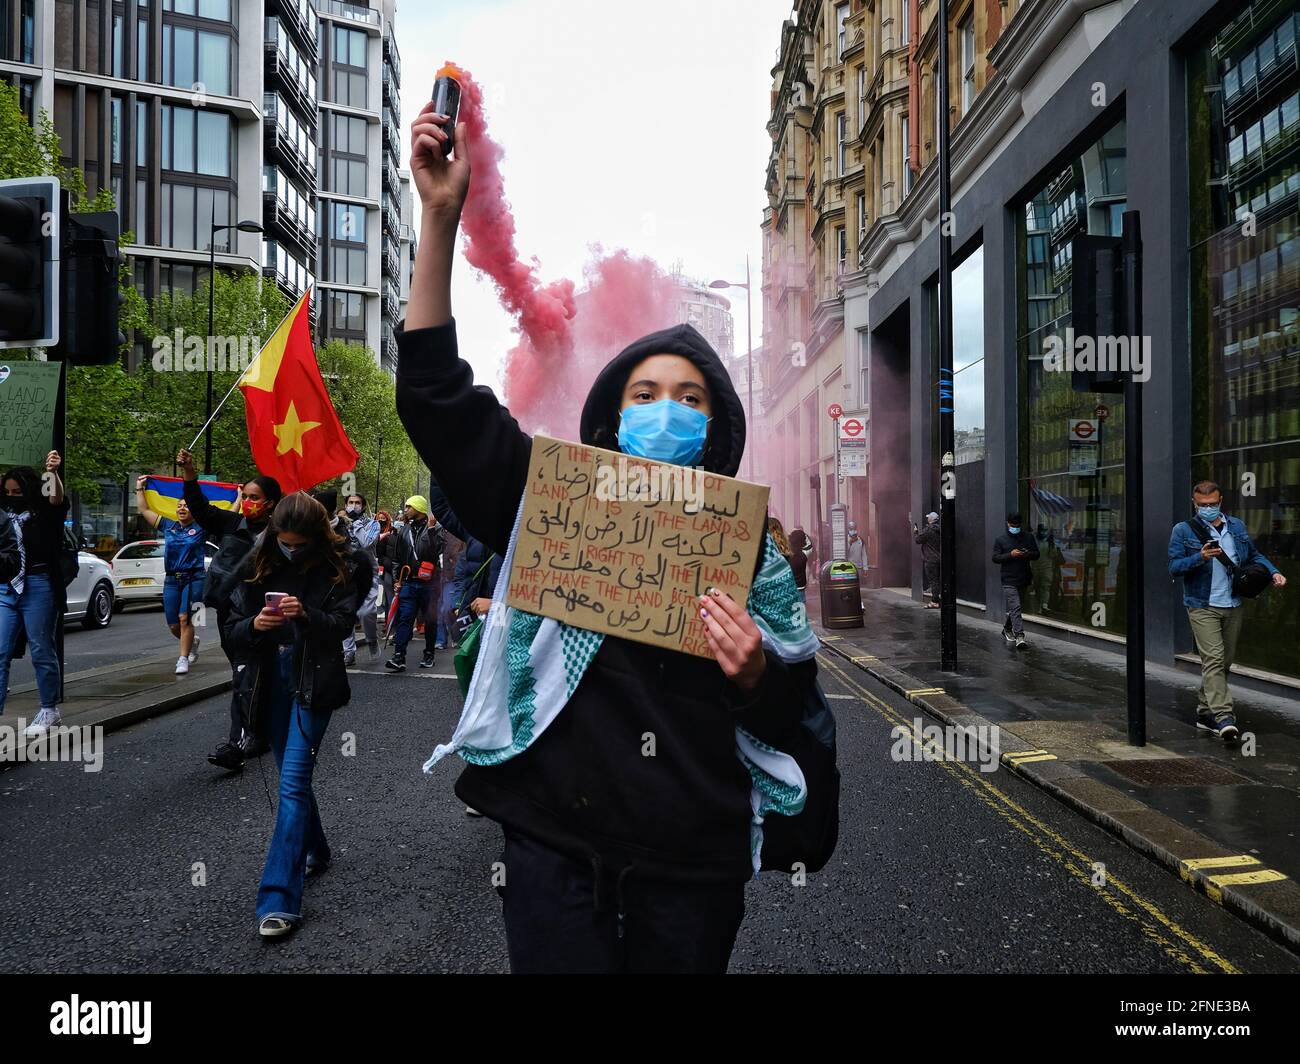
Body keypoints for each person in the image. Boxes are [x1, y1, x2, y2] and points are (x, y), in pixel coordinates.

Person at [394, 100, 832, 973]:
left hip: (693, 862)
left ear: (715, 426)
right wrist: (439, 219)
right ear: (610, 418)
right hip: (556, 844)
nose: (665, 410)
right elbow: (437, 400)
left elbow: (798, 713)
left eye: (689, 397)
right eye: (643, 395)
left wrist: (754, 678)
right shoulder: (552, 501)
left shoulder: (746, 551)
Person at [223, 492, 357, 938]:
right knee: (291, 779)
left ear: (317, 537)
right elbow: (231, 631)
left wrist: (307, 616)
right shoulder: (256, 565)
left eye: (300, 544)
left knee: (293, 785)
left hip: (313, 684)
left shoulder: (342, 565)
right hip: (269, 687)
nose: (291, 550)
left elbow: (341, 625)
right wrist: (254, 626)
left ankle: (279, 900)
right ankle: (316, 849)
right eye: (285, 542)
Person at [175, 447, 283, 772]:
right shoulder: (231, 524)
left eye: (255, 497)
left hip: (259, 619)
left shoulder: (280, 536)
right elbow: (201, 510)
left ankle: (236, 745)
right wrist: (190, 474)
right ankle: (263, 733)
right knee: (249, 677)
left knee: (244, 677)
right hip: (229, 614)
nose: (248, 502)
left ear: (271, 504)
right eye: (245, 496)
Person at [1167, 480, 1285, 741]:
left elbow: (1254, 556)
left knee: (1224, 662)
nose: (1207, 508)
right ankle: (1224, 717)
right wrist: (1200, 557)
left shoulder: (1237, 527)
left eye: (1212, 504)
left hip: (1233, 603)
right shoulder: (1184, 530)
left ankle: (1205, 712)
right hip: (1202, 605)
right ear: (1194, 503)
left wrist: (1274, 572)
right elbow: (1174, 567)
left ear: (1220, 502)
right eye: (1201, 505)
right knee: (1214, 660)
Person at [3, 452, 69, 737]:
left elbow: (55, 498)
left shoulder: (45, 509)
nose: (11, 496)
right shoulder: (3, 514)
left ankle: (49, 709)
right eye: (7, 492)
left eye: (17, 491)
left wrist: (51, 472)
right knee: (0, 652)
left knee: (41, 648)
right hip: (6, 586)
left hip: (39, 584)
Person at [134, 476, 209, 674]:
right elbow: (145, 510)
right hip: (171, 579)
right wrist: (139, 489)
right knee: (173, 624)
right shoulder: (169, 526)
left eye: (187, 506)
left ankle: (182, 659)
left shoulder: (202, 527)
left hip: (195, 578)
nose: (182, 508)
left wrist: (236, 498)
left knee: (186, 618)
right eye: (179, 506)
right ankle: (192, 641)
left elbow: (228, 517)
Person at [384, 494, 444, 672]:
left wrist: (432, 530)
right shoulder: (404, 530)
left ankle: (429, 654)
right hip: (409, 582)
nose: (407, 510)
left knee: (430, 621)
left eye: (410, 507)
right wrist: (397, 581)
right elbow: (397, 558)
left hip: (430, 584)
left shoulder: (435, 528)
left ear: (419, 508)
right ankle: (399, 656)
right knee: (405, 619)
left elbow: (438, 551)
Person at [340, 493, 382, 662]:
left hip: (367, 572)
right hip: (346, 572)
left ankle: (372, 639)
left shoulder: (373, 524)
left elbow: (366, 543)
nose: (354, 505)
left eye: (357, 503)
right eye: (350, 502)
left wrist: (356, 523)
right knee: (345, 612)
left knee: (366, 611)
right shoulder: (340, 524)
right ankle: (348, 651)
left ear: (363, 506)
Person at [992, 511, 1039, 650]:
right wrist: (1010, 555)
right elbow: (995, 558)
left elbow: (1036, 554)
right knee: (1016, 606)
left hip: (1024, 577)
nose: (1015, 527)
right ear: (1008, 524)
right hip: (1008, 579)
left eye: (1017, 525)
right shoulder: (1001, 540)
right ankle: (1020, 636)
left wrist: (1026, 554)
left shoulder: (1028, 538)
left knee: (1016, 608)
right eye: (1013, 525)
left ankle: (1007, 628)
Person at [913, 512, 941, 608]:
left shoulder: (928, 530)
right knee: (936, 579)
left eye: (929, 518)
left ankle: (935, 601)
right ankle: (935, 594)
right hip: (939, 558)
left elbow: (918, 540)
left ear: (932, 520)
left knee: (933, 580)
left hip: (930, 558)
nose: (927, 519)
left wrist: (916, 532)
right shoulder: (940, 529)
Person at [787, 527, 813, 592]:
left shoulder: (786, 554)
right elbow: (809, 545)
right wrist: (802, 533)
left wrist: (790, 536)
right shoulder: (804, 554)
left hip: (789, 587)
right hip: (800, 587)